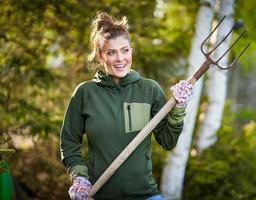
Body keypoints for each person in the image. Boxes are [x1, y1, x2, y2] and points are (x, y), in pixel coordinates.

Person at [60, 11, 193, 200]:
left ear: (131, 50)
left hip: (145, 194)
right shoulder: (85, 93)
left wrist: (178, 109)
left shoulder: (149, 89)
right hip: (100, 194)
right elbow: (69, 142)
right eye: (111, 52)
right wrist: (80, 177)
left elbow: (167, 141)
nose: (120, 58)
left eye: (125, 50)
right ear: (100, 56)